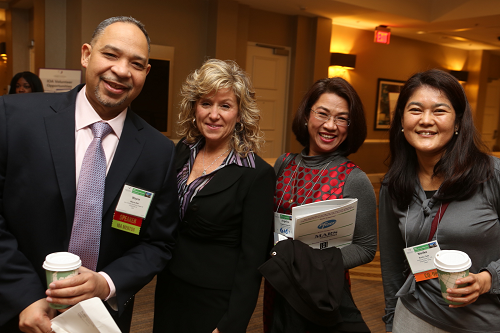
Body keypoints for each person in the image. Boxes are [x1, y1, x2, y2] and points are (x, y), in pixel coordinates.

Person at [0, 16, 179, 333]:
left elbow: (157, 243)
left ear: (145, 73)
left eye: (136, 63)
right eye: (111, 55)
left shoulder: (158, 151)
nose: (122, 70)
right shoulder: (15, 119)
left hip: (101, 320)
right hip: (18, 313)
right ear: (86, 55)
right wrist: (24, 296)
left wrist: (105, 283)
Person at [153, 59, 275, 333]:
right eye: (206, 103)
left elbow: (252, 259)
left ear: (240, 113)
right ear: (194, 107)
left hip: (215, 300)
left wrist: (231, 324)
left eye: (225, 105)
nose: (213, 114)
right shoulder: (182, 152)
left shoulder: (256, 175)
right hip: (170, 288)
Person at [379, 69, 500, 333]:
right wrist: (391, 320)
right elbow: (391, 264)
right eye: (415, 110)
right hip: (412, 318)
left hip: (482, 323)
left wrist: (489, 279)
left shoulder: (492, 175)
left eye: (439, 111)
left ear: (458, 122)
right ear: (401, 120)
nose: (425, 120)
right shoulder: (394, 184)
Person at [263, 77, 377, 332]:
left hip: (320, 290)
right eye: (322, 114)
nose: (330, 125)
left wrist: (312, 263)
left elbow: (366, 247)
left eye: (341, 118)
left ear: (350, 125)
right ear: (306, 116)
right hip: (278, 285)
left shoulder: (353, 178)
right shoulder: (284, 164)